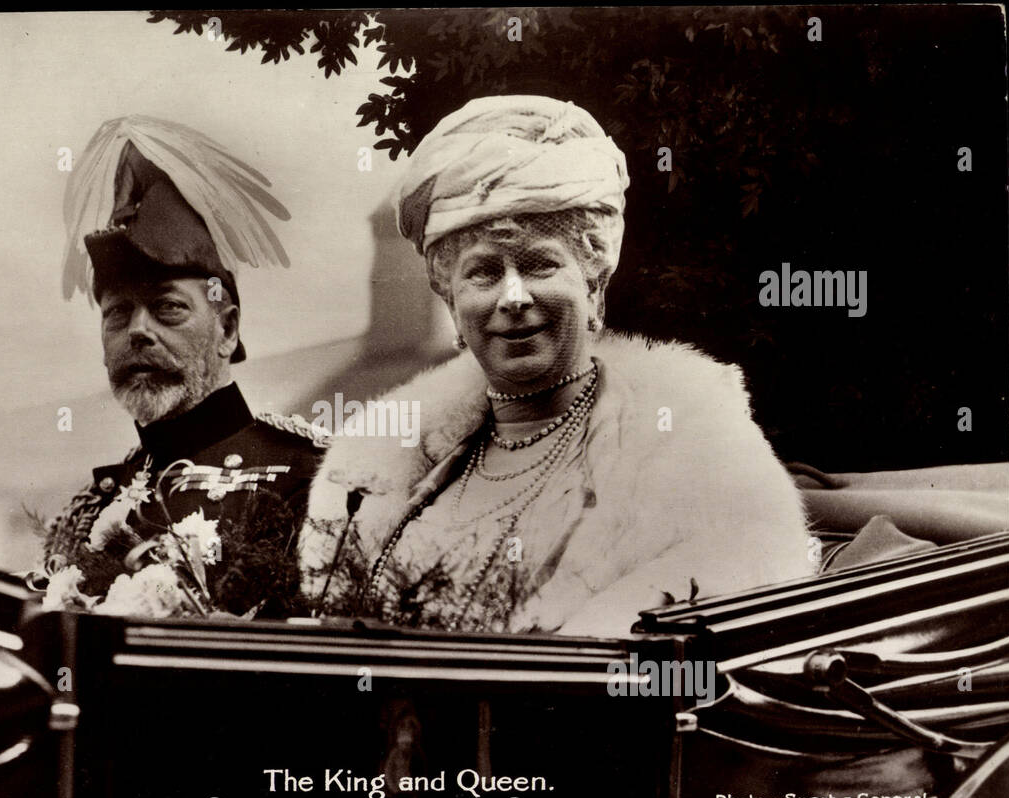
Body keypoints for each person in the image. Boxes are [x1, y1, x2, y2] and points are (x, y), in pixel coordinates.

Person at [300, 96, 814, 636]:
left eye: (540, 264)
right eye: (483, 273)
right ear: (451, 300)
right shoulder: (380, 473)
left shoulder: (695, 448)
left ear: (592, 284)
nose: (513, 297)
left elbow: (746, 621)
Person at [38, 115, 328, 614]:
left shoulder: (309, 477)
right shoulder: (93, 506)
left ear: (228, 329)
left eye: (168, 307)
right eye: (118, 314)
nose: (138, 331)